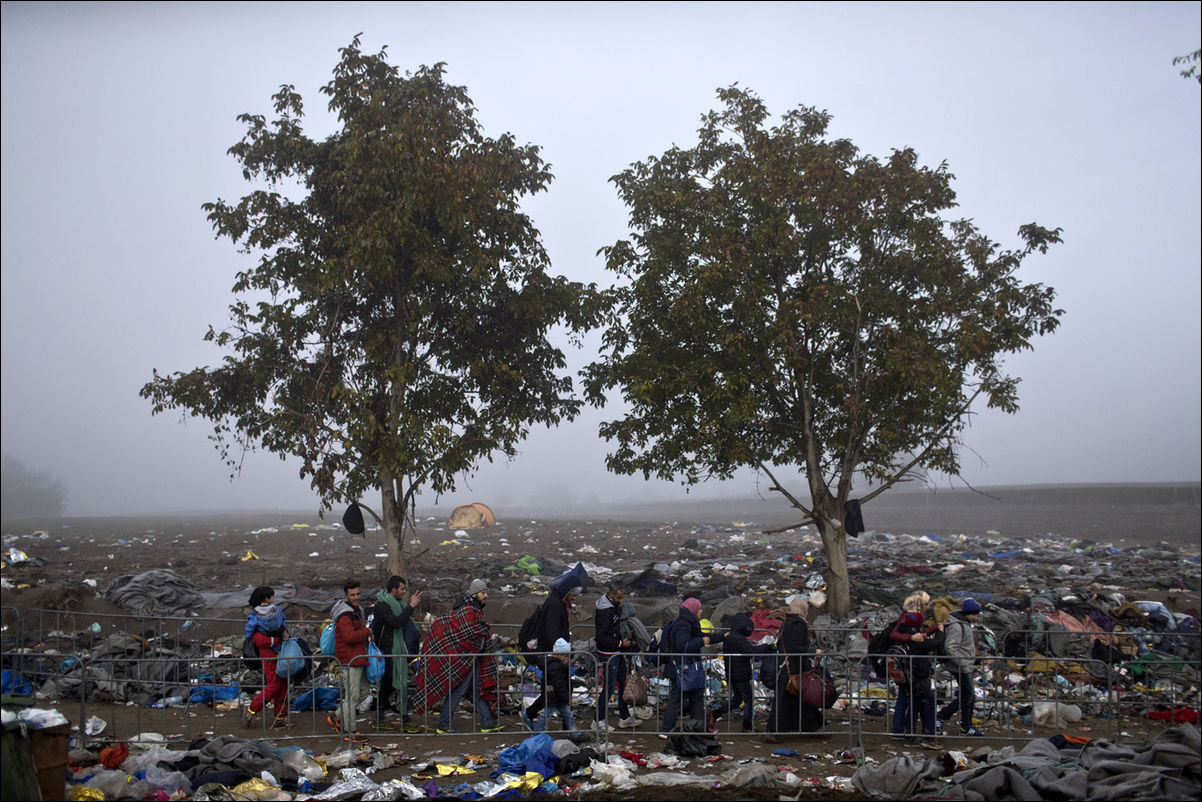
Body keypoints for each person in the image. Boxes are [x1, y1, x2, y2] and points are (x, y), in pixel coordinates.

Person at [413, 579, 502, 733]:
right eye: (483, 593)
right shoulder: (468, 611)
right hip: (463, 660)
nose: (486, 596)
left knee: (477, 690)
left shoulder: (474, 610)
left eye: (486, 592)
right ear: (474, 594)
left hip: (472, 658)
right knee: (458, 691)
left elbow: (475, 633)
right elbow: (468, 634)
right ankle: (444, 724)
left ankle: (487, 722)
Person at [762, 596, 822, 743]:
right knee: (794, 699)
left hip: (788, 666)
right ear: (803, 611)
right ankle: (775, 731)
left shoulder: (787, 623)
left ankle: (811, 727)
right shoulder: (799, 625)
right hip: (795, 668)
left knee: (800, 699)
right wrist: (813, 652)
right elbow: (794, 647)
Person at [522, 581, 581, 729]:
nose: (574, 598)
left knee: (555, 691)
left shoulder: (556, 601)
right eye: (573, 594)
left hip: (555, 653)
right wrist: (560, 654)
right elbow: (552, 631)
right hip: (555, 655)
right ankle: (565, 727)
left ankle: (567, 726)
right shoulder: (556, 604)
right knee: (556, 692)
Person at [889, 606, 945, 748]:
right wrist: (940, 631)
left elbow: (923, 633)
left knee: (913, 706)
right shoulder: (917, 641)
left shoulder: (903, 634)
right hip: (918, 678)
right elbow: (937, 643)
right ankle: (929, 737)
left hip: (908, 678)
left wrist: (933, 628)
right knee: (929, 703)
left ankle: (910, 737)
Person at [372, 575, 422, 730]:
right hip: (389, 651)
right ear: (393, 589)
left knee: (392, 683)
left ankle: (383, 714)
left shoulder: (399, 604)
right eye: (402, 589)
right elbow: (396, 622)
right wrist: (411, 606)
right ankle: (401, 717)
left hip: (398, 650)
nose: (404, 591)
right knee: (395, 682)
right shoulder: (381, 606)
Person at [661, 597, 713, 734]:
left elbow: (702, 637)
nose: (701, 611)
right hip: (681, 669)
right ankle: (667, 729)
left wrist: (722, 636)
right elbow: (683, 645)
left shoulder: (690, 623)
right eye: (699, 609)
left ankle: (699, 729)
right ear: (693, 610)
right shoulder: (683, 625)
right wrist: (701, 641)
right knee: (677, 699)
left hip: (687, 668)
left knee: (695, 698)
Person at [329, 579, 373, 743]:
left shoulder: (356, 611)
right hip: (349, 659)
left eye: (358, 594)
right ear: (346, 596)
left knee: (364, 692)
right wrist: (367, 631)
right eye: (352, 595)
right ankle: (350, 730)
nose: (356, 597)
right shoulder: (345, 615)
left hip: (357, 657)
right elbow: (350, 636)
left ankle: (337, 716)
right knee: (352, 697)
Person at [242, 586, 290, 728]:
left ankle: (280, 717)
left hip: (276, 653)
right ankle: (252, 709)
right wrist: (278, 639)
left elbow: (252, 635)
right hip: (270, 655)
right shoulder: (274, 613)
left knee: (283, 685)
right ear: (267, 598)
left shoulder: (258, 616)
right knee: (274, 685)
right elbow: (259, 640)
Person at [594, 585, 638, 731]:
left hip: (617, 651)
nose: (620, 601)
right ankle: (597, 720)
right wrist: (620, 643)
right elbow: (601, 637)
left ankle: (624, 717)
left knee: (623, 682)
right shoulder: (604, 611)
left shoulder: (615, 607)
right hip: (608, 653)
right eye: (618, 597)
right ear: (611, 594)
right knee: (609, 687)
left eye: (622, 598)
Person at [938, 598, 984, 736]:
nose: (976, 617)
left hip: (964, 665)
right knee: (968, 696)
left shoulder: (964, 624)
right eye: (974, 614)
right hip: (959, 666)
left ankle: (966, 726)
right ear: (968, 613)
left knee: (969, 696)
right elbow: (950, 648)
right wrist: (963, 664)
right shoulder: (957, 626)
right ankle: (942, 715)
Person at [722, 612, 772, 732]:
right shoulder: (739, 639)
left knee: (736, 700)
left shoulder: (730, 637)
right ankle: (747, 725)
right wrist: (767, 647)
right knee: (748, 700)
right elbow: (750, 651)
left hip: (732, 674)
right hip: (740, 675)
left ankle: (714, 714)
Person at [531, 638, 576, 732]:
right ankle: (536, 733)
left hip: (554, 695)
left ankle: (574, 732)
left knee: (567, 715)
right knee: (546, 716)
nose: (567, 658)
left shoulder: (554, 664)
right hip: (553, 696)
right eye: (565, 656)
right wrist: (566, 696)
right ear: (560, 655)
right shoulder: (555, 667)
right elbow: (559, 683)